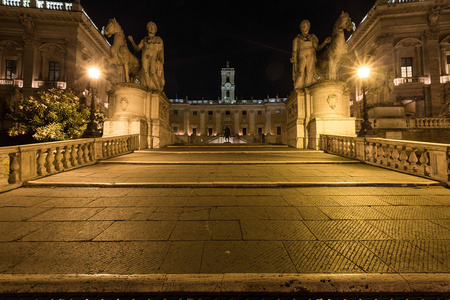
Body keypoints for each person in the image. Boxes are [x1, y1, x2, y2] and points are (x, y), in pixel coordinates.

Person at [291, 20, 330, 89]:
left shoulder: (313, 37)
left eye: (305, 26)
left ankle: (308, 88)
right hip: (301, 55)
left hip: (311, 54)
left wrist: (324, 42)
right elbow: (294, 51)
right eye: (302, 26)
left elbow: (317, 48)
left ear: (308, 27)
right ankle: (297, 88)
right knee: (301, 72)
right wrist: (294, 59)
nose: (303, 28)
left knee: (309, 72)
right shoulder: (297, 39)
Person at [128, 22, 165, 91]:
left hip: (153, 57)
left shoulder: (158, 39)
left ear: (155, 29)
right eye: (150, 27)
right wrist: (132, 41)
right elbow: (137, 48)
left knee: (152, 71)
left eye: (153, 27)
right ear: (147, 29)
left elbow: (160, 50)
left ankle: (158, 87)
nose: (151, 28)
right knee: (145, 71)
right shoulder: (144, 40)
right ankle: (147, 89)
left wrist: (160, 59)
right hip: (145, 57)